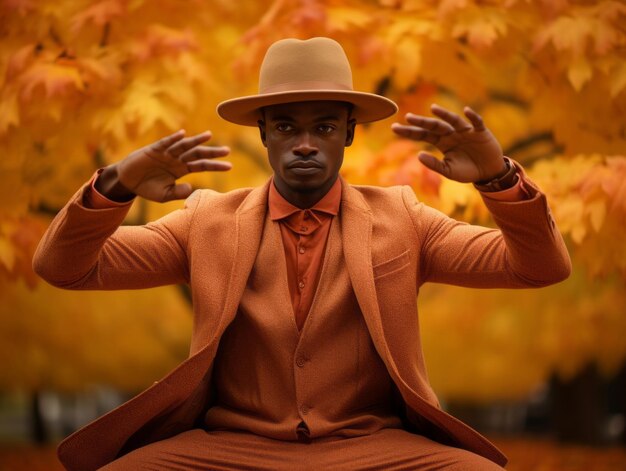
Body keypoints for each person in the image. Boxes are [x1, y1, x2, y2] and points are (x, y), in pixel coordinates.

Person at [33, 37, 571, 470]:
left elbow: (540, 268)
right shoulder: (206, 221)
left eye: (325, 126)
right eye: (287, 126)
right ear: (263, 133)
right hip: (230, 447)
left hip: (373, 448)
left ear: (350, 134)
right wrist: (116, 185)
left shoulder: (403, 218)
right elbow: (64, 267)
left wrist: (500, 180)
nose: (306, 143)